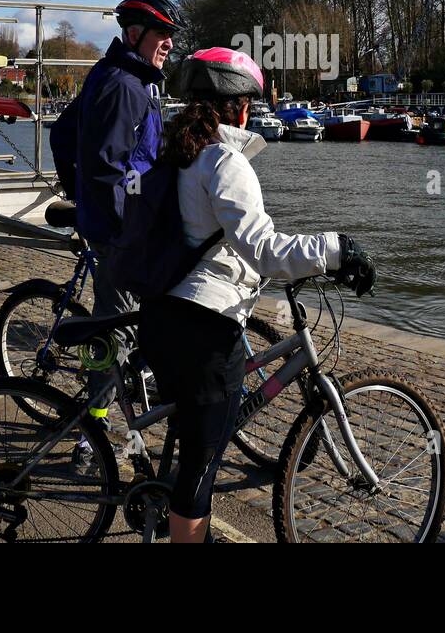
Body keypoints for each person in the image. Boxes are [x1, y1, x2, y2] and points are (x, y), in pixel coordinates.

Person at [142, 47, 375, 543]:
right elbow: (265, 250)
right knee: (200, 470)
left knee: (190, 445)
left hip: (162, 312)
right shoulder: (224, 160)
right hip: (203, 327)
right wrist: (338, 249)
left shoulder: (176, 153)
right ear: (241, 105)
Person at [57, 0, 186, 429]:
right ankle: (91, 431)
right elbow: (111, 169)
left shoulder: (128, 77)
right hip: (119, 232)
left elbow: (62, 135)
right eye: (163, 34)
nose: (169, 42)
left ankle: (138, 382)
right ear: (135, 34)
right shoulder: (123, 86)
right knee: (114, 333)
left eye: (172, 35)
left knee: (135, 320)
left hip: (124, 223)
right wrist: (119, 229)